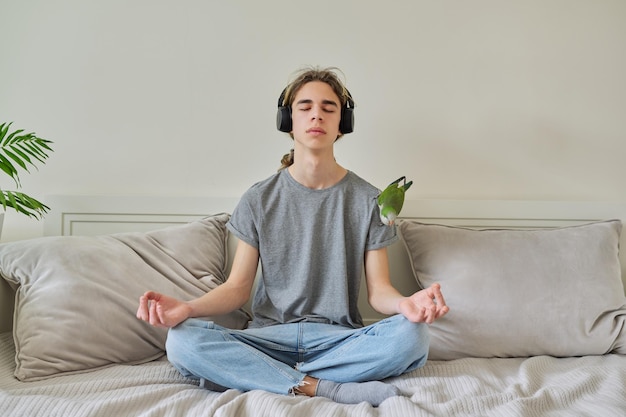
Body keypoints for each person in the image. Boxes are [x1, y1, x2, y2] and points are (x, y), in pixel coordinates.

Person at [136, 66, 449, 407]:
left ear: (343, 123)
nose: (317, 114)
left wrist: (407, 305)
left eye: (329, 108)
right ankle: (323, 387)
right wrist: (187, 308)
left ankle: (257, 376)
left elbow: (380, 292)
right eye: (305, 106)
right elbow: (237, 289)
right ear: (288, 119)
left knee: (412, 337)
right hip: (269, 337)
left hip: (337, 340)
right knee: (182, 341)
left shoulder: (369, 200)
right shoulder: (258, 198)